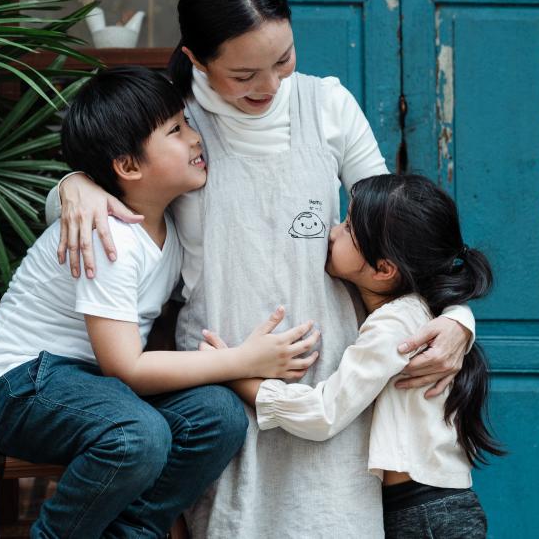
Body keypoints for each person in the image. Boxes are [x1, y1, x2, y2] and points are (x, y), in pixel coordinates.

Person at [48, 0, 477, 537]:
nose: (270, 87)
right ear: (197, 59)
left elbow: (397, 232)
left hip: (331, 392)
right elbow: (97, 209)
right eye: (244, 74)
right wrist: (72, 186)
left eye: (283, 60)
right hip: (225, 391)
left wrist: (457, 318)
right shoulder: (176, 129)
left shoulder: (327, 107)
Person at [0, 67, 320, 538]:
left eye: (187, 123)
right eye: (176, 130)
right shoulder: (109, 235)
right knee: (138, 435)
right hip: (21, 384)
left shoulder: (167, 227)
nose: (196, 138)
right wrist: (242, 360)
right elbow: (126, 367)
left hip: (92, 386)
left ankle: (130, 532)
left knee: (218, 415)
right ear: (129, 167)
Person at [207, 174, 503, 538]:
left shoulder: (394, 326)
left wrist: (234, 372)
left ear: (383, 270)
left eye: (347, 228)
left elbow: (324, 413)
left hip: (424, 516)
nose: (331, 232)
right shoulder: (415, 312)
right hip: (431, 507)